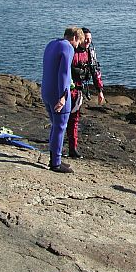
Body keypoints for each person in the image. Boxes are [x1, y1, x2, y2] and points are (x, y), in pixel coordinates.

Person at [41, 27, 85, 173]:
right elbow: (64, 74)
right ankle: (55, 164)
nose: (78, 46)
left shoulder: (51, 44)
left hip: (46, 91)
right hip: (57, 93)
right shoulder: (68, 47)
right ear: (75, 38)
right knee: (60, 127)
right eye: (79, 42)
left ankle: (55, 159)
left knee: (55, 126)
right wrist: (63, 96)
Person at [66, 27, 104, 159]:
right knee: (62, 119)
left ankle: (72, 148)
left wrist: (100, 91)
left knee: (74, 119)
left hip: (79, 90)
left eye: (90, 39)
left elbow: (95, 71)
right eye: (86, 39)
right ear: (79, 38)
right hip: (67, 89)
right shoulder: (70, 50)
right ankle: (57, 148)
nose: (88, 41)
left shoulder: (90, 52)